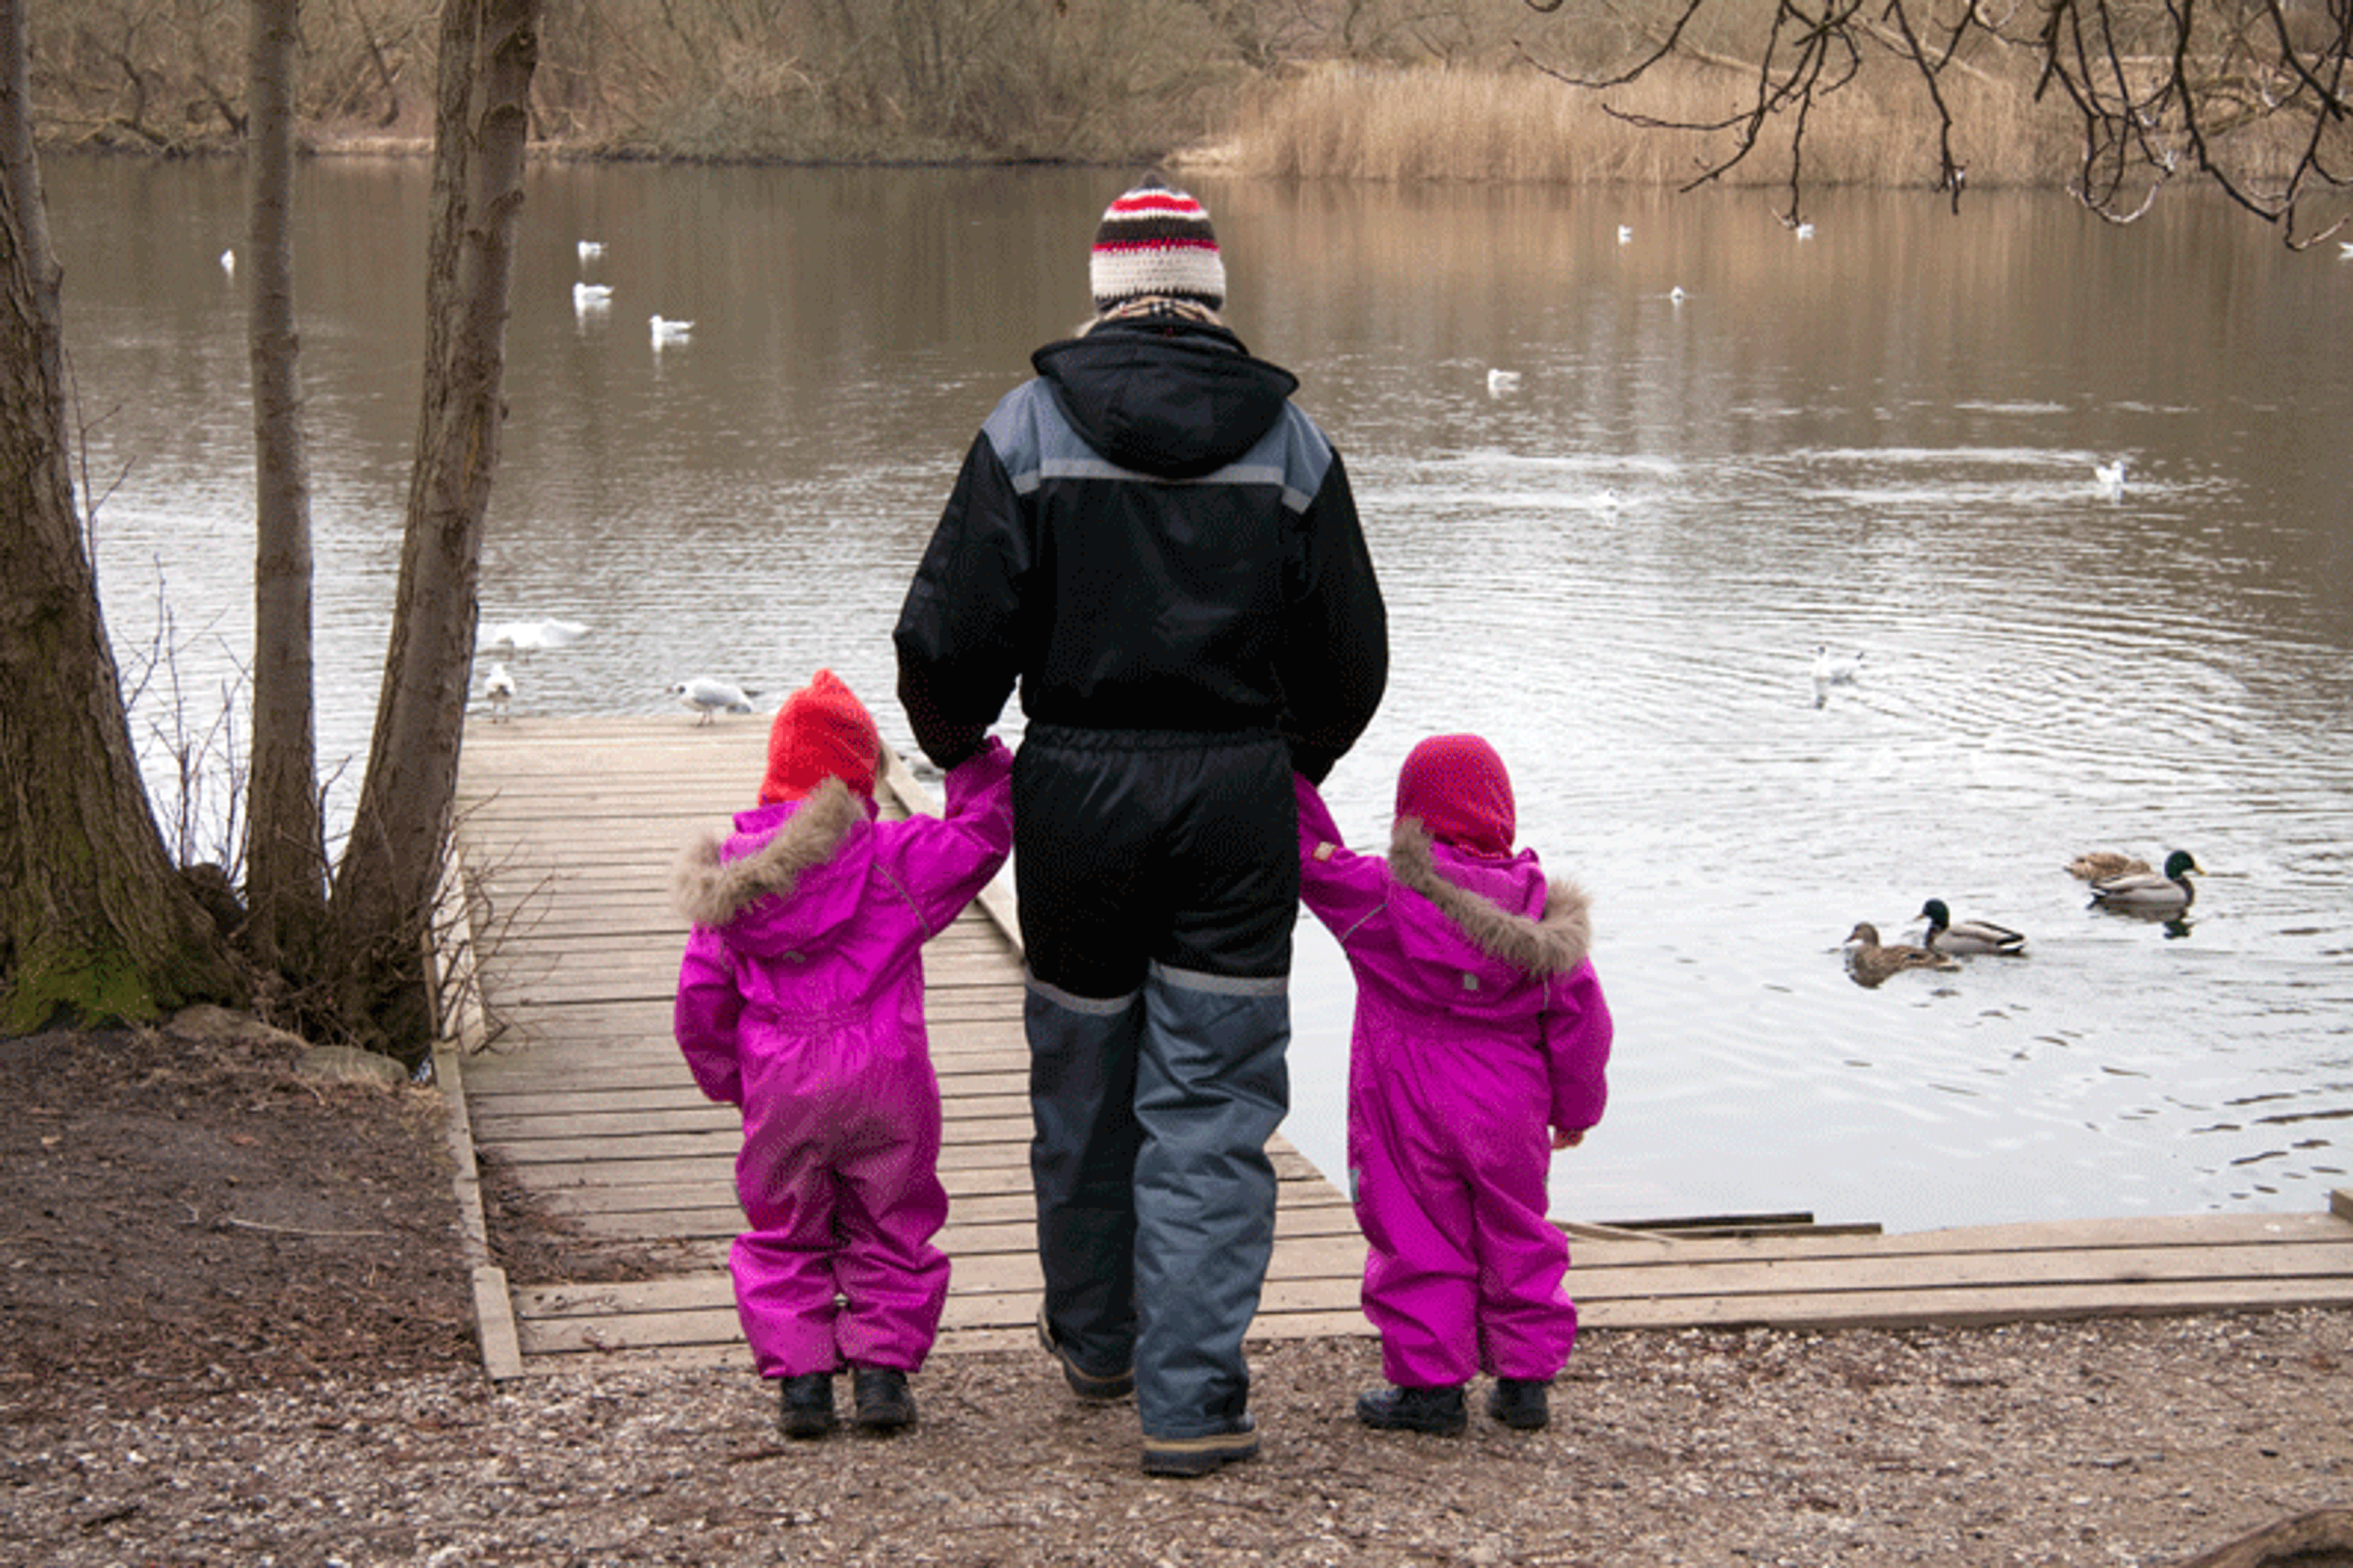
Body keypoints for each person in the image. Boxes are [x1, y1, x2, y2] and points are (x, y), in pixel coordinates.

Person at [893, 174, 1388, 1477]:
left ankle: (1099, 1341)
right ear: (1211, 297)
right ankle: (1192, 1396)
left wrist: (963, 749)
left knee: (1083, 1078)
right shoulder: (1291, 447)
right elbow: (1350, 656)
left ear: (1104, 296)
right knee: (1210, 1102)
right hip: (1234, 801)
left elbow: (943, 637)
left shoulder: (1025, 431)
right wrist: (1290, 761)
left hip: (1076, 798)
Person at [671, 669, 1014, 1440]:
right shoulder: (892, 860)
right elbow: (980, 837)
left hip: (781, 1083)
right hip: (886, 1077)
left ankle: (802, 1387)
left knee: (783, 1226)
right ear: (858, 780)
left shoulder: (731, 886)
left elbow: (701, 999)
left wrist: (731, 1080)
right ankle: (882, 1375)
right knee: (890, 1218)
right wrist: (975, 758)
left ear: (774, 777)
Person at [1293, 733, 1612, 1436]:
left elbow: (1309, 856)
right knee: (1518, 1228)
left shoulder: (1378, 897)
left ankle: (1430, 1391)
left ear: (1409, 814)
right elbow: (1582, 1022)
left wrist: (1280, 770)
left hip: (1404, 1099)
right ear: (1503, 813)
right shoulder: (1544, 921)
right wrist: (1576, 1109)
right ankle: (1524, 1384)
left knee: (1415, 1232)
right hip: (1508, 1103)